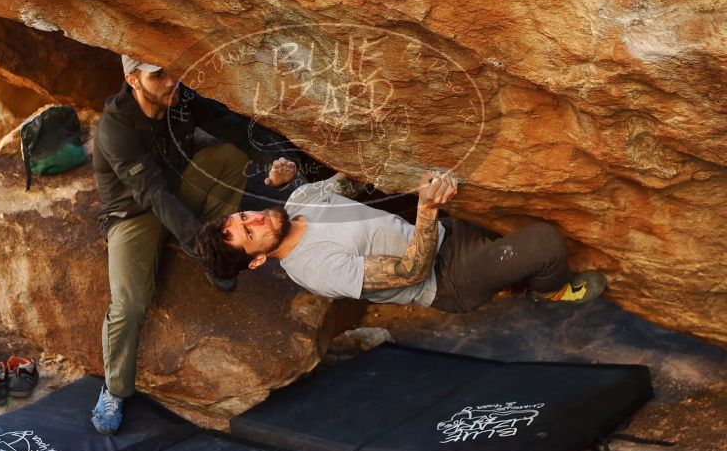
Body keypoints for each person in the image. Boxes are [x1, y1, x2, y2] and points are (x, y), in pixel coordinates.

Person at [90, 55, 299, 435]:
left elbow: (235, 127)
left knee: (231, 156)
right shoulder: (115, 128)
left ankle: (217, 249)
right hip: (134, 213)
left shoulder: (180, 98)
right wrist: (201, 248)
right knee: (129, 303)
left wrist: (273, 161)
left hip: (179, 189)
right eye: (157, 75)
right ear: (133, 80)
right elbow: (153, 195)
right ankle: (115, 389)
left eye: (170, 69)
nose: (171, 80)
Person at [193, 171, 607, 315]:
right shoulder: (316, 269)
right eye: (250, 234)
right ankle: (548, 292)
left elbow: (349, 182)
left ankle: (513, 279)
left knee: (506, 237)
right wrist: (426, 209)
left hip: (446, 235)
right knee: (544, 243)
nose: (256, 219)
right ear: (257, 261)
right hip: (448, 280)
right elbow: (412, 271)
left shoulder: (299, 202)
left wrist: (293, 175)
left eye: (244, 217)